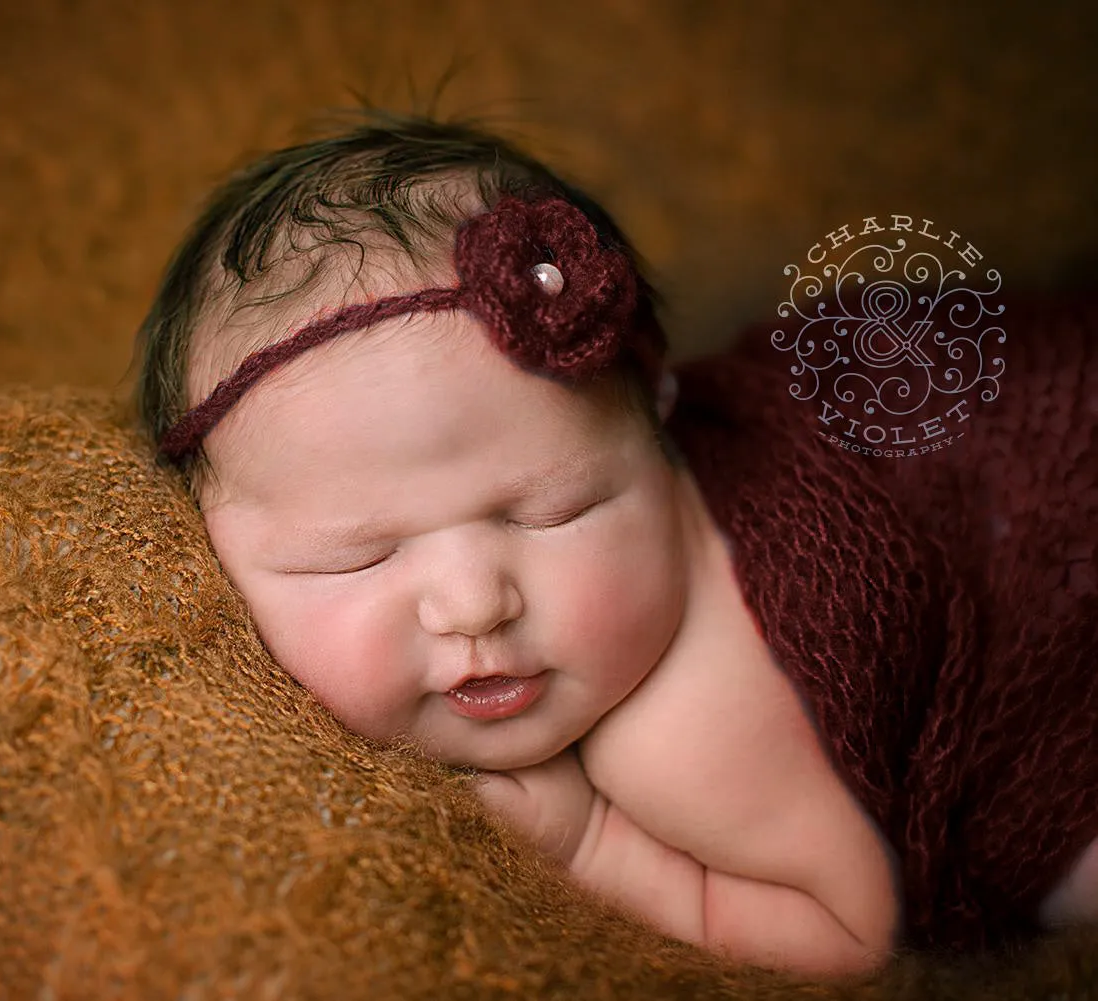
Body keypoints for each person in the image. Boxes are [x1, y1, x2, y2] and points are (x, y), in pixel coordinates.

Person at [131, 113, 1098, 978]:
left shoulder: (686, 730)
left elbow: (849, 936)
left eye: (551, 513)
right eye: (359, 557)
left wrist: (594, 843)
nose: (474, 603)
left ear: (662, 431)